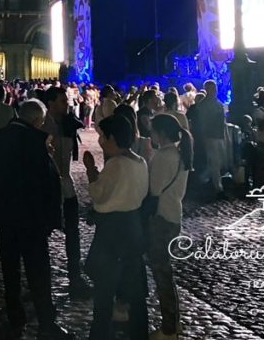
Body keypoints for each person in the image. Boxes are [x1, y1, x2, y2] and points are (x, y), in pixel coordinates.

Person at [0, 98, 74, 339]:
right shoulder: (36, 142)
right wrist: (53, 219)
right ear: (36, 120)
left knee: (9, 268)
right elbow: (48, 184)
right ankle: (46, 322)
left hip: (5, 214)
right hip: (31, 217)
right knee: (38, 271)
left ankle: (15, 315)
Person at [82, 115, 149, 340]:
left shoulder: (116, 164)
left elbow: (98, 195)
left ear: (112, 138)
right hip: (133, 227)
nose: (100, 141)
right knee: (133, 288)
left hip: (111, 233)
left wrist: (91, 169)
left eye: (102, 136)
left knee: (105, 289)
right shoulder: (140, 161)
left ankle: (101, 333)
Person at [145, 114, 193, 340]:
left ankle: (169, 328)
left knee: (162, 275)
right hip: (174, 215)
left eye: (153, 130)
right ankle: (174, 322)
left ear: (161, 133)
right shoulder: (180, 154)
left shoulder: (164, 156)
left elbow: (153, 189)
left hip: (161, 219)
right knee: (166, 273)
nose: (150, 134)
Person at [41, 86, 91, 298]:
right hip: (48, 189)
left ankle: (75, 277)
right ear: (51, 103)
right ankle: (40, 281)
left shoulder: (69, 122)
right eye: (62, 101)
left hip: (67, 186)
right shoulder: (42, 125)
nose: (67, 104)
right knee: (42, 236)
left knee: (73, 234)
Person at [191, 79, 227, 197]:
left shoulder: (217, 103)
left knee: (219, 162)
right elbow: (203, 122)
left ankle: (207, 180)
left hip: (218, 135)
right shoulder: (204, 105)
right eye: (212, 88)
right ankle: (218, 188)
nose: (214, 90)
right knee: (215, 162)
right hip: (211, 136)